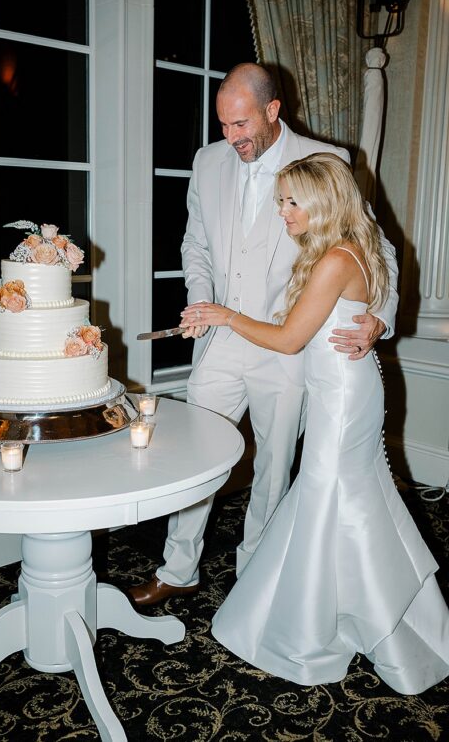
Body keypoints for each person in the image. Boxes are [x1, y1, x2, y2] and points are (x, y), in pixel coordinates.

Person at [128, 63, 399, 607]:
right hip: (222, 340)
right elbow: (195, 245)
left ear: (273, 111)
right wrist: (202, 301)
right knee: (195, 458)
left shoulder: (328, 162)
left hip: (289, 345)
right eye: (224, 125)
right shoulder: (208, 162)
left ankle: (257, 574)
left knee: (275, 466)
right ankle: (179, 568)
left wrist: (380, 316)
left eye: (242, 125)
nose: (232, 138)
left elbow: (380, 248)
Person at [182, 152, 449, 693]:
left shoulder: (335, 260)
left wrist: (224, 315)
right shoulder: (343, 248)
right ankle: (365, 608)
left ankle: (352, 619)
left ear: (321, 202)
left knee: (334, 497)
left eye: (290, 202)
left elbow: (288, 340)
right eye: (280, 201)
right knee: (343, 500)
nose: (282, 212)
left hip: (344, 398)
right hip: (345, 389)